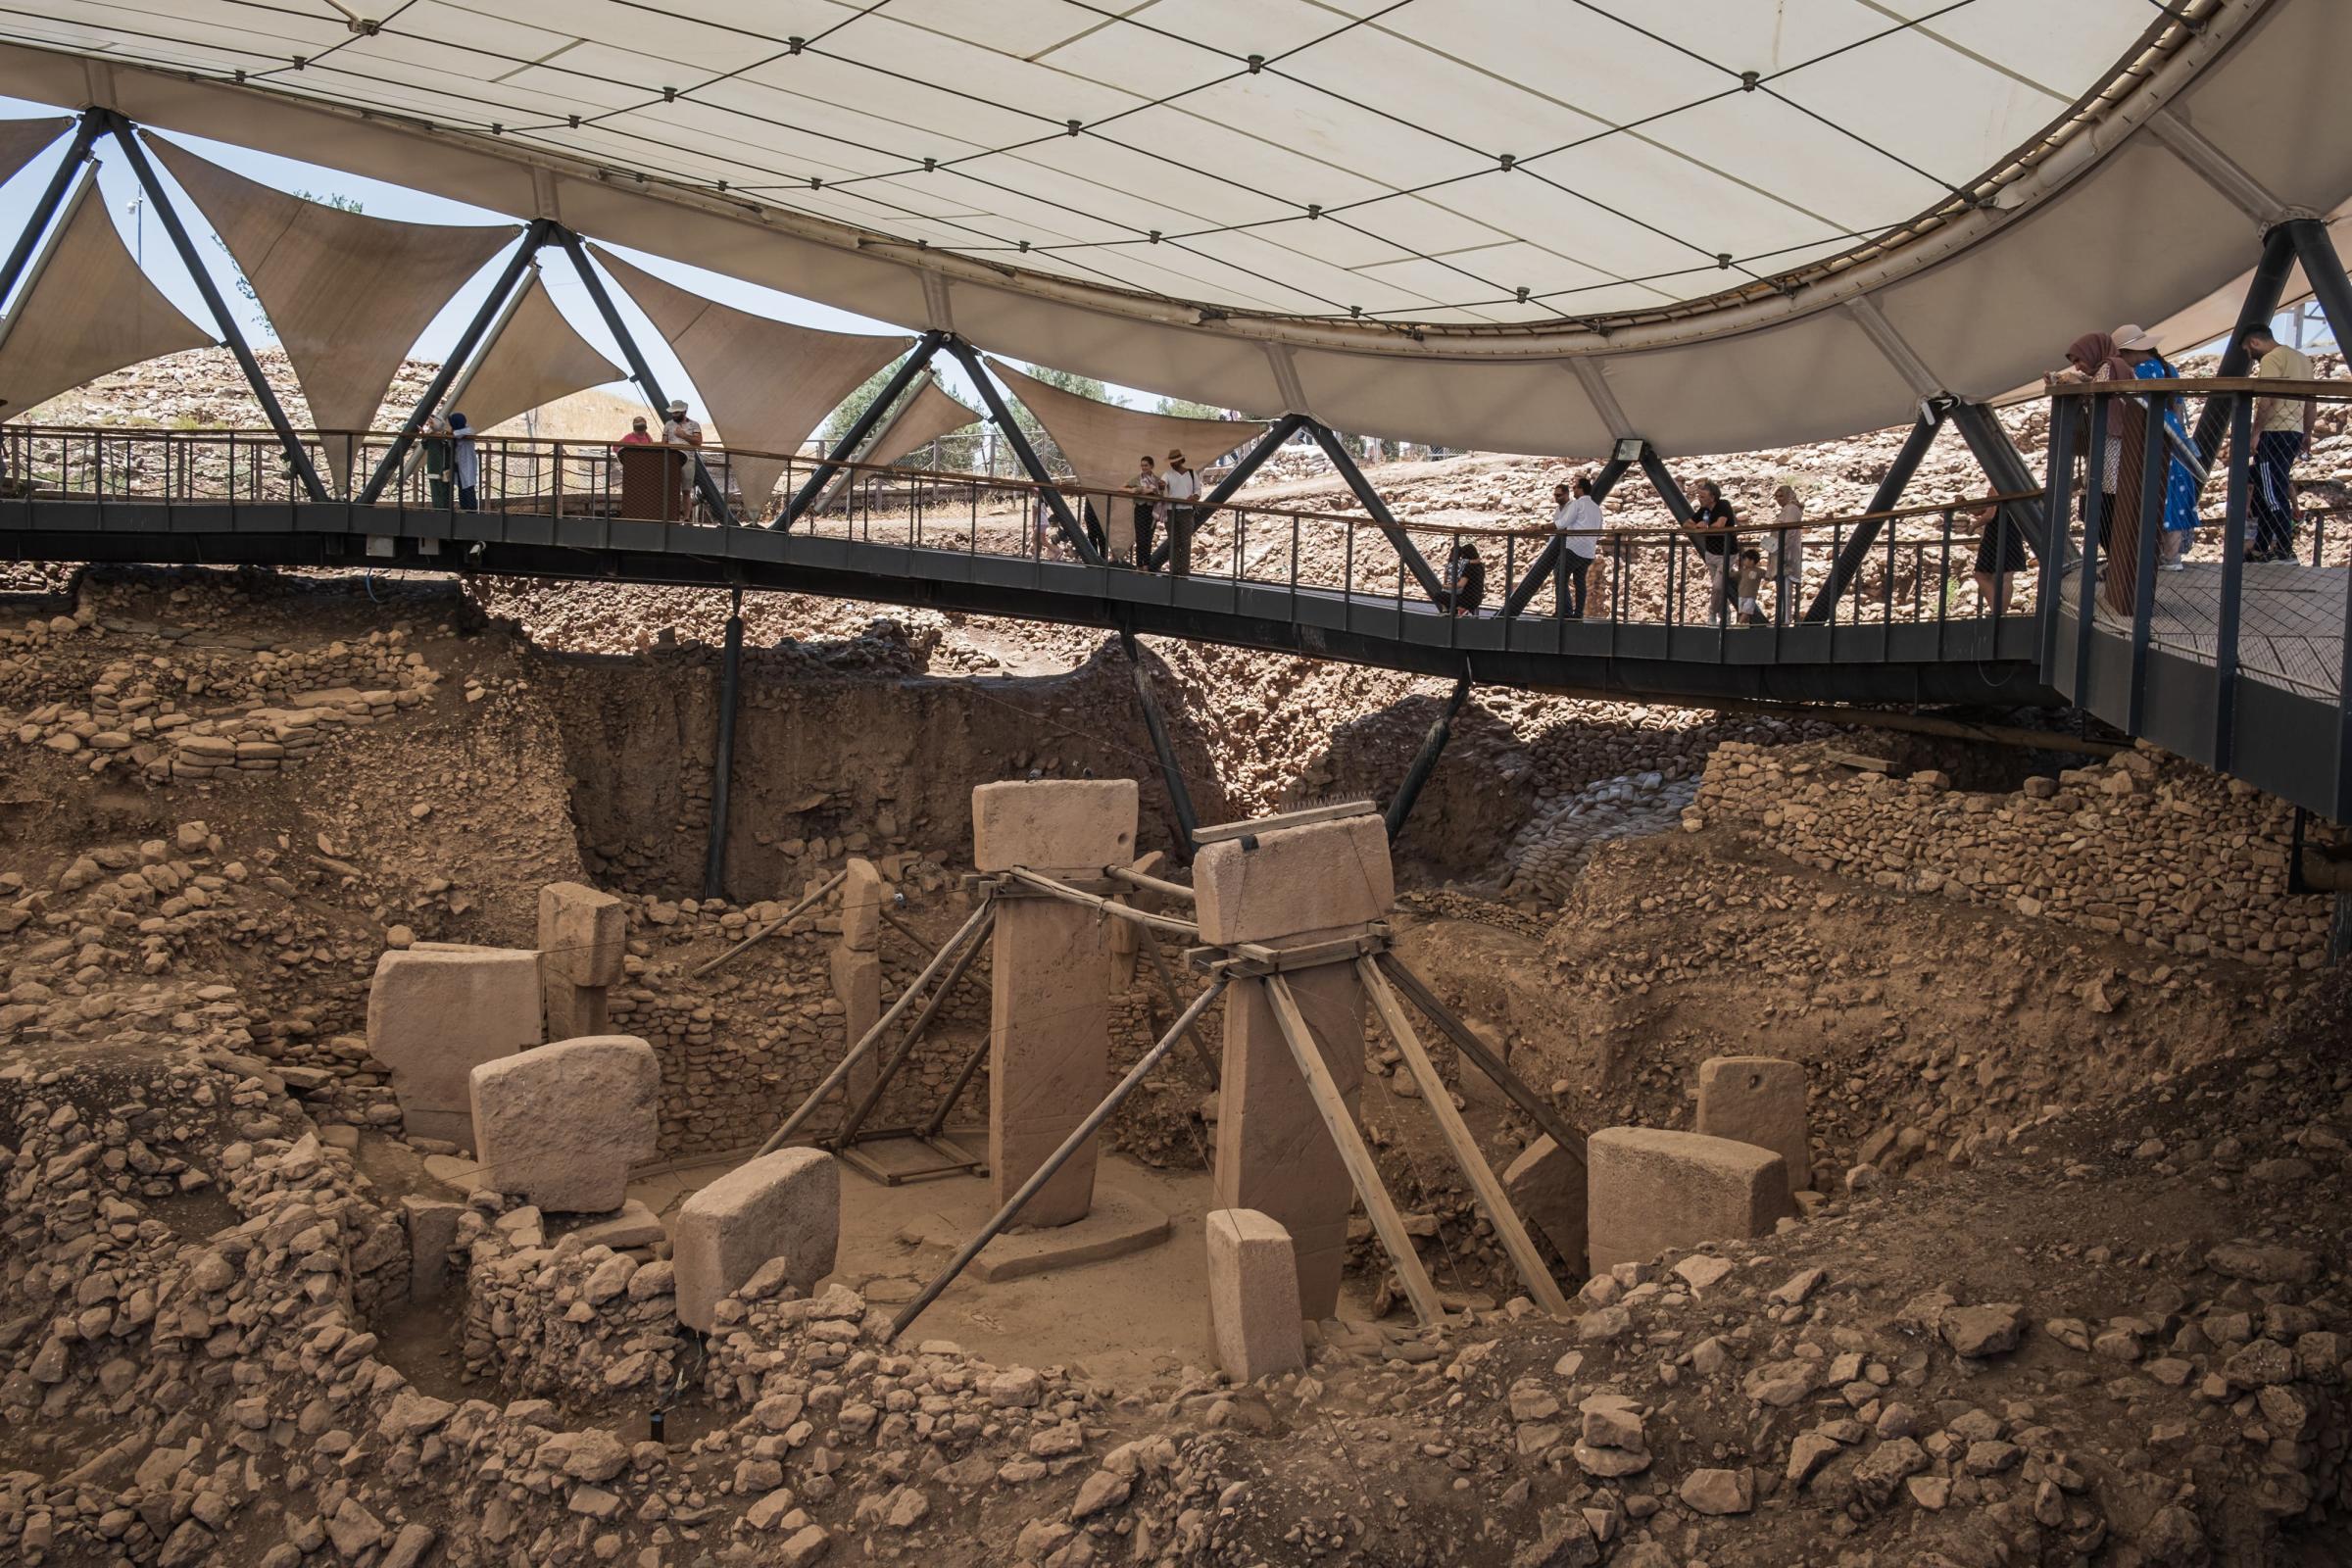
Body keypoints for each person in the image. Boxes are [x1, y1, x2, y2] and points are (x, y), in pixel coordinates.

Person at [2047, 331, 2147, 614]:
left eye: (2079, 360)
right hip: (2111, 448)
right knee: (2101, 506)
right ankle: (2116, 565)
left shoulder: (2109, 366)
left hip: (2111, 449)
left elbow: (2099, 395)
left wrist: (2076, 384)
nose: (2078, 366)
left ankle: (2117, 565)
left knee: (2101, 507)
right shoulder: (2114, 367)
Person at [2117, 324, 2203, 571]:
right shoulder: (2169, 368)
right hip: (2174, 436)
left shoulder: (2142, 371)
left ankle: (2159, 554)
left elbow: (2137, 407)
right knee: (2175, 494)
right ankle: (2172, 556)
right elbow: (2177, 406)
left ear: (2131, 352)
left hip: (2154, 436)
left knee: (2157, 494)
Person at [2241, 323, 2315, 562]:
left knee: (2273, 493)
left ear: (2254, 342)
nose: (2249, 355)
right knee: (2267, 488)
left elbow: (2267, 398)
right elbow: (2311, 402)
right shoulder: (2302, 359)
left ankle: (2285, 549)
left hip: (2274, 431)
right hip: (2293, 432)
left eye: (2247, 350)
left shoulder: (2272, 358)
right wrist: (2306, 433)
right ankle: (2262, 546)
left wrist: (2255, 432)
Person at [1689, 478, 1740, 625]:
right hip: (1711, 553)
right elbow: (1688, 522)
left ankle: (1712, 612)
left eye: (1703, 496)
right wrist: (1697, 526)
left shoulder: (1723, 505)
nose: (1699, 499)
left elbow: (1720, 524)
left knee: (1717, 586)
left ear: (1713, 497)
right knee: (1720, 588)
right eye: (1699, 496)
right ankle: (1726, 617)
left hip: (1726, 553)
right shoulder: (1704, 510)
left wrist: (1704, 527)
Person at [1551, 473, 1602, 618]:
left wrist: (1541, 528)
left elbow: (1562, 523)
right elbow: (1599, 534)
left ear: (1581, 489)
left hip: (1574, 548)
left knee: (1560, 575)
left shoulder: (1577, 504)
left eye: (1574, 487)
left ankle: (1564, 611)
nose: (1573, 490)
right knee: (1579, 582)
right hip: (1588, 552)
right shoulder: (1596, 508)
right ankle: (1578, 613)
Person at [1767, 484, 1804, 624]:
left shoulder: (1791, 509)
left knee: (1786, 588)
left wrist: (1782, 550)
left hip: (1785, 554)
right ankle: (1782, 617)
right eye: (1776, 496)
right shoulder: (1787, 510)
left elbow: (1789, 532)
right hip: (1780, 551)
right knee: (1782, 588)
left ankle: (1786, 619)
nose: (1778, 499)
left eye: (1781, 495)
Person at [662, 398, 704, 521]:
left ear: (684, 412)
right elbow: (664, 442)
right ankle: (669, 516)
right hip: (672, 460)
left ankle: (686, 517)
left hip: (688, 460)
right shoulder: (668, 425)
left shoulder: (694, 425)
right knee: (670, 489)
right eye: (673, 413)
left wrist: (684, 436)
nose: (673, 415)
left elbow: (699, 442)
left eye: (676, 412)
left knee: (686, 490)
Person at [1160, 448, 1200, 575]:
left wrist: (1194, 497)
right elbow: (1162, 483)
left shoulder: (1192, 473)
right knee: (1174, 542)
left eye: (1174, 461)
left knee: (1186, 542)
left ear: (1180, 460)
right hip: (1171, 511)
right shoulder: (1167, 474)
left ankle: (1184, 571)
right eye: (1171, 461)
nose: (1172, 463)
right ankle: (1174, 570)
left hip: (1187, 511)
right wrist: (1161, 485)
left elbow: (1198, 491)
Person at [1125, 454, 1164, 570]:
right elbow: (1121, 488)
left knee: (1148, 539)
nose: (1143, 468)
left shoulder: (1157, 480)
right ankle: (1139, 565)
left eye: (1146, 465)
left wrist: (1155, 491)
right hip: (1140, 509)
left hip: (1152, 511)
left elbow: (1161, 496)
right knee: (1140, 538)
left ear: (1151, 466)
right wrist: (1138, 490)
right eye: (1142, 465)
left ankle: (1146, 565)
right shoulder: (1137, 479)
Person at [1437, 540, 1485, 615]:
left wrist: (1447, 586)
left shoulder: (1468, 567)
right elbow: (1478, 560)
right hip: (1477, 597)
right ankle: (1461, 610)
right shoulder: (1480, 566)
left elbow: (1461, 584)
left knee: (1439, 595)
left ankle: (1461, 609)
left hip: (1467, 598)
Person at [421, 414, 455, 510]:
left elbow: (450, 447)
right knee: (435, 492)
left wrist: (443, 438)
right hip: (433, 467)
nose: (430, 424)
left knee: (444, 491)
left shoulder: (445, 435)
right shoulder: (430, 434)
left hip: (443, 467)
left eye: (432, 422)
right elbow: (425, 446)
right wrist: (424, 437)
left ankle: (445, 510)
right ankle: (437, 509)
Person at [448, 412, 478, 512]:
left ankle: (472, 511)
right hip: (458, 464)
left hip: (467, 464)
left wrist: (452, 433)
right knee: (461, 488)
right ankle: (464, 508)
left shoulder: (467, 430)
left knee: (468, 488)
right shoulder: (458, 432)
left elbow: (467, 432)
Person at [1733, 547, 1767, 625]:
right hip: (1741, 595)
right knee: (1743, 612)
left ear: (1752, 561)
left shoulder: (1758, 571)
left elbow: (1768, 575)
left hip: (1750, 596)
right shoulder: (1743, 571)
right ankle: (1745, 625)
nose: (1743, 561)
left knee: (1746, 612)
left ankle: (1738, 624)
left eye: (1745, 559)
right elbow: (1734, 575)